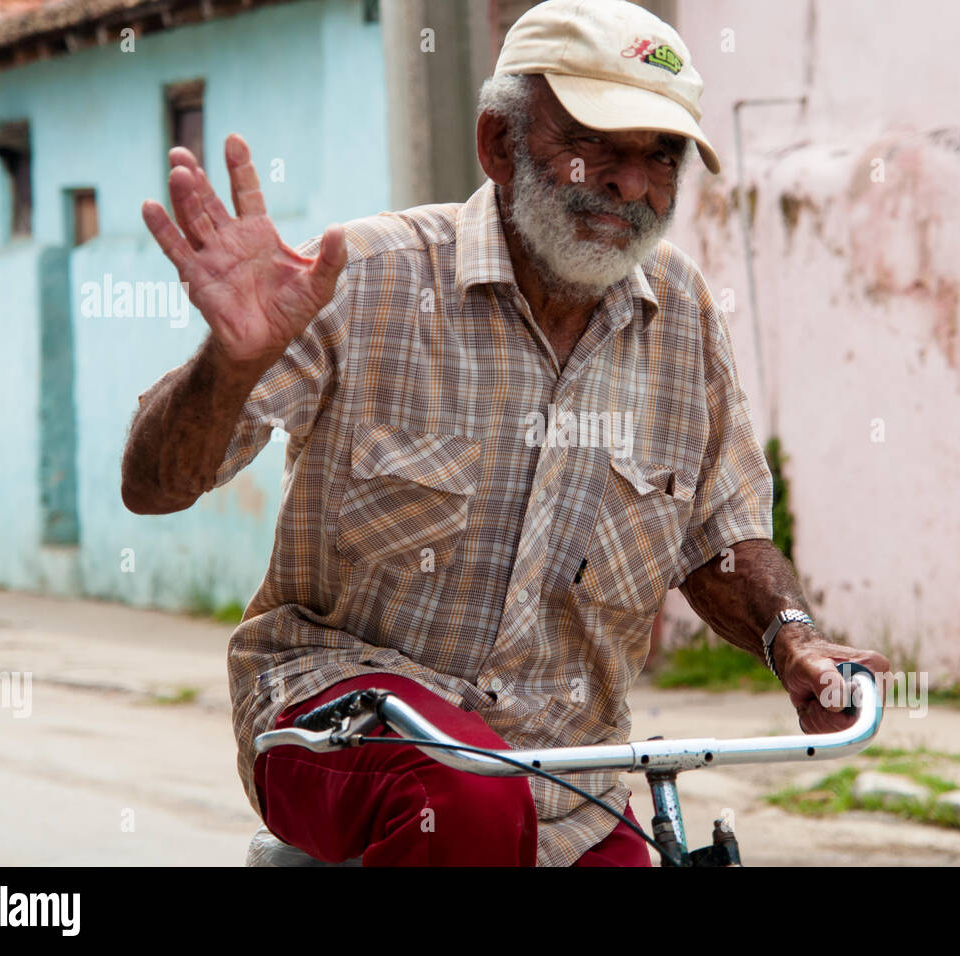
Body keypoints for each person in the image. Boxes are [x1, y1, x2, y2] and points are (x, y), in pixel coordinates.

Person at [121, 0, 889, 866]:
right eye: (595, 144)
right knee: (468, 798)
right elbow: (152, 487)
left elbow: (720, 534)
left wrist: (793, 638)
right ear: (498, 144)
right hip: (338, 716)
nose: (631, 185)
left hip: (568, 774)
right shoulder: (367, 279)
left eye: (660, 155)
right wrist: (228, 365)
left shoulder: (682, 315)